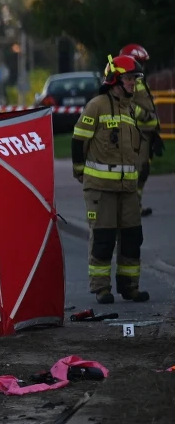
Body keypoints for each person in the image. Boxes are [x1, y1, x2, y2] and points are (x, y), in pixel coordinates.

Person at [71, 55, 148, 303]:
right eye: (129, 79)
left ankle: (129, 286)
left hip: (127, 189)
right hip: (101, 188)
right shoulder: (97, 106)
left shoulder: (130, 109)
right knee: (103, 239)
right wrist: (79, 169)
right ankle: (101, 288)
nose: (133, 84)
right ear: (115, 79)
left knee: (132, 238)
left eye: (135, 79)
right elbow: (78, 140)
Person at [118, 44, 165, 216]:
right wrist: (145, 116)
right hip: (136, 132)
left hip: (146, 132)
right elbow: (127, 105)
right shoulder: (127, 81)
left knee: (142, 171)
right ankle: (130, 209)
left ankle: (135, 206)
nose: (142, 67)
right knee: (136, 171)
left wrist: (154, 131)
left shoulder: (137, 80)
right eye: (139, 63)